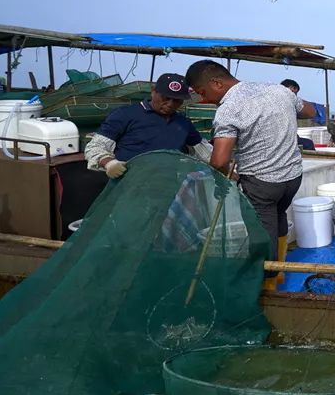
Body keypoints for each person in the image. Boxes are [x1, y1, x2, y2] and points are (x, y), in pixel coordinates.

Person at [186, 59, 316, 259]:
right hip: (292, 177)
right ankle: (280, 270)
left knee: (262, 235)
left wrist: (230, 176)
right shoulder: (279, 91)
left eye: (202, 92)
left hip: (261, 183)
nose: (204, 99)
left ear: (216, 83)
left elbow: (219, 161)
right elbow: (310, 111)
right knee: (278, 216)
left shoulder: (229, 108)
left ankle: (267, 279)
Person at [85, 73, 212, 178]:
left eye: (176, 100)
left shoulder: (183, 123)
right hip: (127, 186)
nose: (170, 104)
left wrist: (227, 167)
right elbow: (95, 146)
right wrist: (109, 163)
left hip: (168, 187)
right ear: (153, 92)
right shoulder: (126, 115)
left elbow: (205, 152)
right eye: (166, 98)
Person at [282, 80, 316, 150]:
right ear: (293, 89)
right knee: (308, 144)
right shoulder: (288, 99)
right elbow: (312, 113)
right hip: (284, 139)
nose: (296, 96)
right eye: (296, 93)